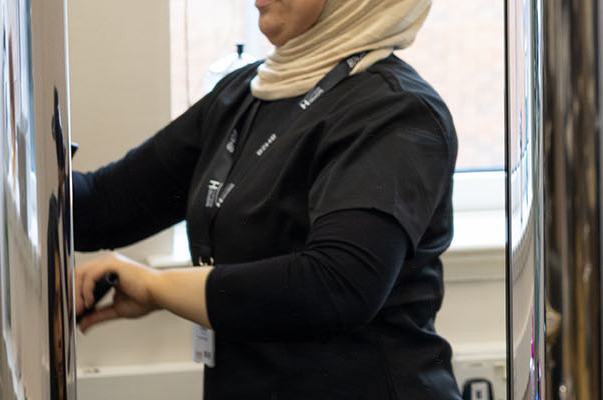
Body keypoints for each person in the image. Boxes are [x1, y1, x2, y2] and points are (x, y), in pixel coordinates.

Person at [68, 0, 461, 398]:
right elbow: (102, 208)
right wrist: (12, 162)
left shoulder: (394, 111)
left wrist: (157, 287)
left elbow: (337, 287)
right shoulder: (244, 94)